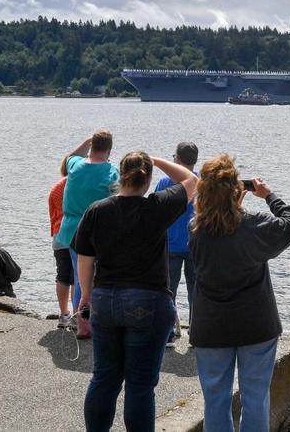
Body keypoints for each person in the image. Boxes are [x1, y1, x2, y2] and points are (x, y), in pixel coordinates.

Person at [73, 151, 198, 432]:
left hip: (105, 299)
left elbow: (85, 258)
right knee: (140, 384)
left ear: (120, 174)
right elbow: (191, 179)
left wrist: (85, 296)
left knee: (104, 378)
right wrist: (158, 159)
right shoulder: (157, 206)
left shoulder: (97, 209)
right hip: (149, 300)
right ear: (149, 178)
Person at [188, 154, 290, 432]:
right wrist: (269, 195)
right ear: (237, 190)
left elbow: (221, 226)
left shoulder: (196, 229)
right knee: (255, 399)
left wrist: (230, 204)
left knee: (215, 401)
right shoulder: (254, 224)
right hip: (256, 323)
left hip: (211, 324)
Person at [56, 131, 119, 338]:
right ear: (109, 150)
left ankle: (82, 325)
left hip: (72, 230)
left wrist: (86, 142)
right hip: (99, 231)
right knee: (101, 280)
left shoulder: (75, 166)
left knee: (79, 279)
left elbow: (68, 159)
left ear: (92, 147)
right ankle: (101, 321)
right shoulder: (112, 170)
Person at [154, 141, 199, 347]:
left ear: (177, 159)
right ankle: (197, 334)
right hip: (195, 244)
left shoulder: (165, 182)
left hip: (170, 245)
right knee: (196, 290)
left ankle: (169, 333)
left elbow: (155, 209)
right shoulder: (201, 182)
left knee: (168, 291)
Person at [48, 157, 73, 327]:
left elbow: (52, 213)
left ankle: (63, 314)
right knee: (80, 278)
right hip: (76, 235)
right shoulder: (79, 186)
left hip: (59, 234)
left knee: (62, 276)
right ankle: (80, 315)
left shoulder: (56, 188)